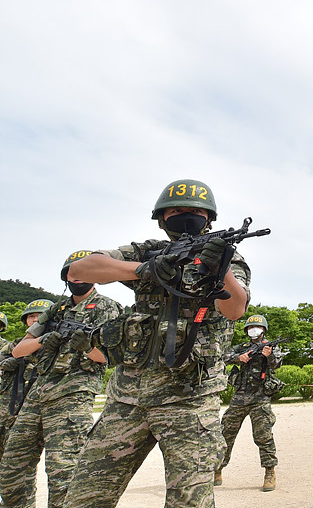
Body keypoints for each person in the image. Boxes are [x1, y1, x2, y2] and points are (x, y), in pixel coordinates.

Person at [61, 179, 251, 508]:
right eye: (175, 211)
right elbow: (79, 270)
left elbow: (234, 309)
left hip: (190, 401)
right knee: (83, 498)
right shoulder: (148, 249)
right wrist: (147, 268)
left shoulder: (227, 258)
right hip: (126, 399)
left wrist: (218, 268)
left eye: (194, 211)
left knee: (190, 503)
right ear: (161, 218)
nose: (185, 216)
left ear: (209, 218)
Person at [0, 253, 122, 508]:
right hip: (38, 394)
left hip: (73, 393)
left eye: (86, 271)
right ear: (66, 277)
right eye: (73, 272)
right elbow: (18, 350)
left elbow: (109, 358)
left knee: (63, 474)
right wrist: (42, 340)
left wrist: (87, 346)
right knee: (11, 470)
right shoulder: (58, 309)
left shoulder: (107, 307)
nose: (79, 277)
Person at [216, 314, 284, 492]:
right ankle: (217, 469)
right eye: (251, 328)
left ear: (263, 330)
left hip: (260, 397)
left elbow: (277, 364)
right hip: (239, 397)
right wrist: (240, 358)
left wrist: (268, 356)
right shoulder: (242, 347)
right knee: (226, 433)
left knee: (263, 435)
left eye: (258, 328)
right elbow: (224, 356)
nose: (254, 330)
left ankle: (270, 472)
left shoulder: (271, 347)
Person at [0, 300, 49, 462]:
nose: (35, 320)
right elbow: (4, 355)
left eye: (39, 316)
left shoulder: (58, 345)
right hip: (7, 412)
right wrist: (5, 362)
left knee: (22, 464)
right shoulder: (17, 344)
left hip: (33, 415)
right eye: (31, 316)